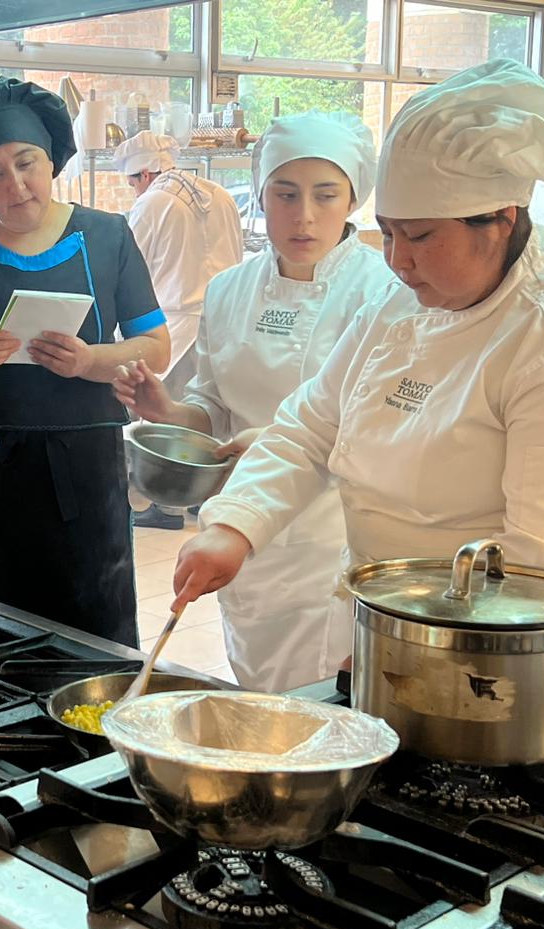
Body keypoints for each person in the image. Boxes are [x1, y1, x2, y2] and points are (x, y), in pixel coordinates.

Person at [171, 60, 544, 699]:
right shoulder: (403, 301)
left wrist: (409, 656)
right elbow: (310, 426)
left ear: (500, 218)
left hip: (502, 676)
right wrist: (235, 524)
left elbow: (542, 571)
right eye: (385, 233)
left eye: (419, 236)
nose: (397, 260)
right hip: (386, 634)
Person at [114, 112, 392, 692]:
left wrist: (271, 444)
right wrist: (165, 410)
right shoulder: (230, 289)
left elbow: (382, 428)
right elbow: (210, 408)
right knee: (255, 689)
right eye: (285, 194)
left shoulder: (383, 294)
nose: (304, 215)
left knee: (321, 702)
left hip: (333, 538)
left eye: (325, 195)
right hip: (240, 529)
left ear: (353, 199)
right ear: (261, 196)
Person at [0, 78, 171, 647]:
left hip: (86, 470)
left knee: (93, 626)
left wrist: (89, 360)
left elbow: (155, 346)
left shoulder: (107, 237)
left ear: (52, 159)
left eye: (26, 163)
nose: (15, 185)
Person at [113, 130, 244, 530]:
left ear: (145, 174)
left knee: (168, 417)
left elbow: (130, 270)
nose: (134, 189)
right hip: (221, 318)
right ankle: (201, 497)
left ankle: (167, 505)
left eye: (133, 181)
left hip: (173, 322)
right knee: (209, 413)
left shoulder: (153, 203)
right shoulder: (219, 193)